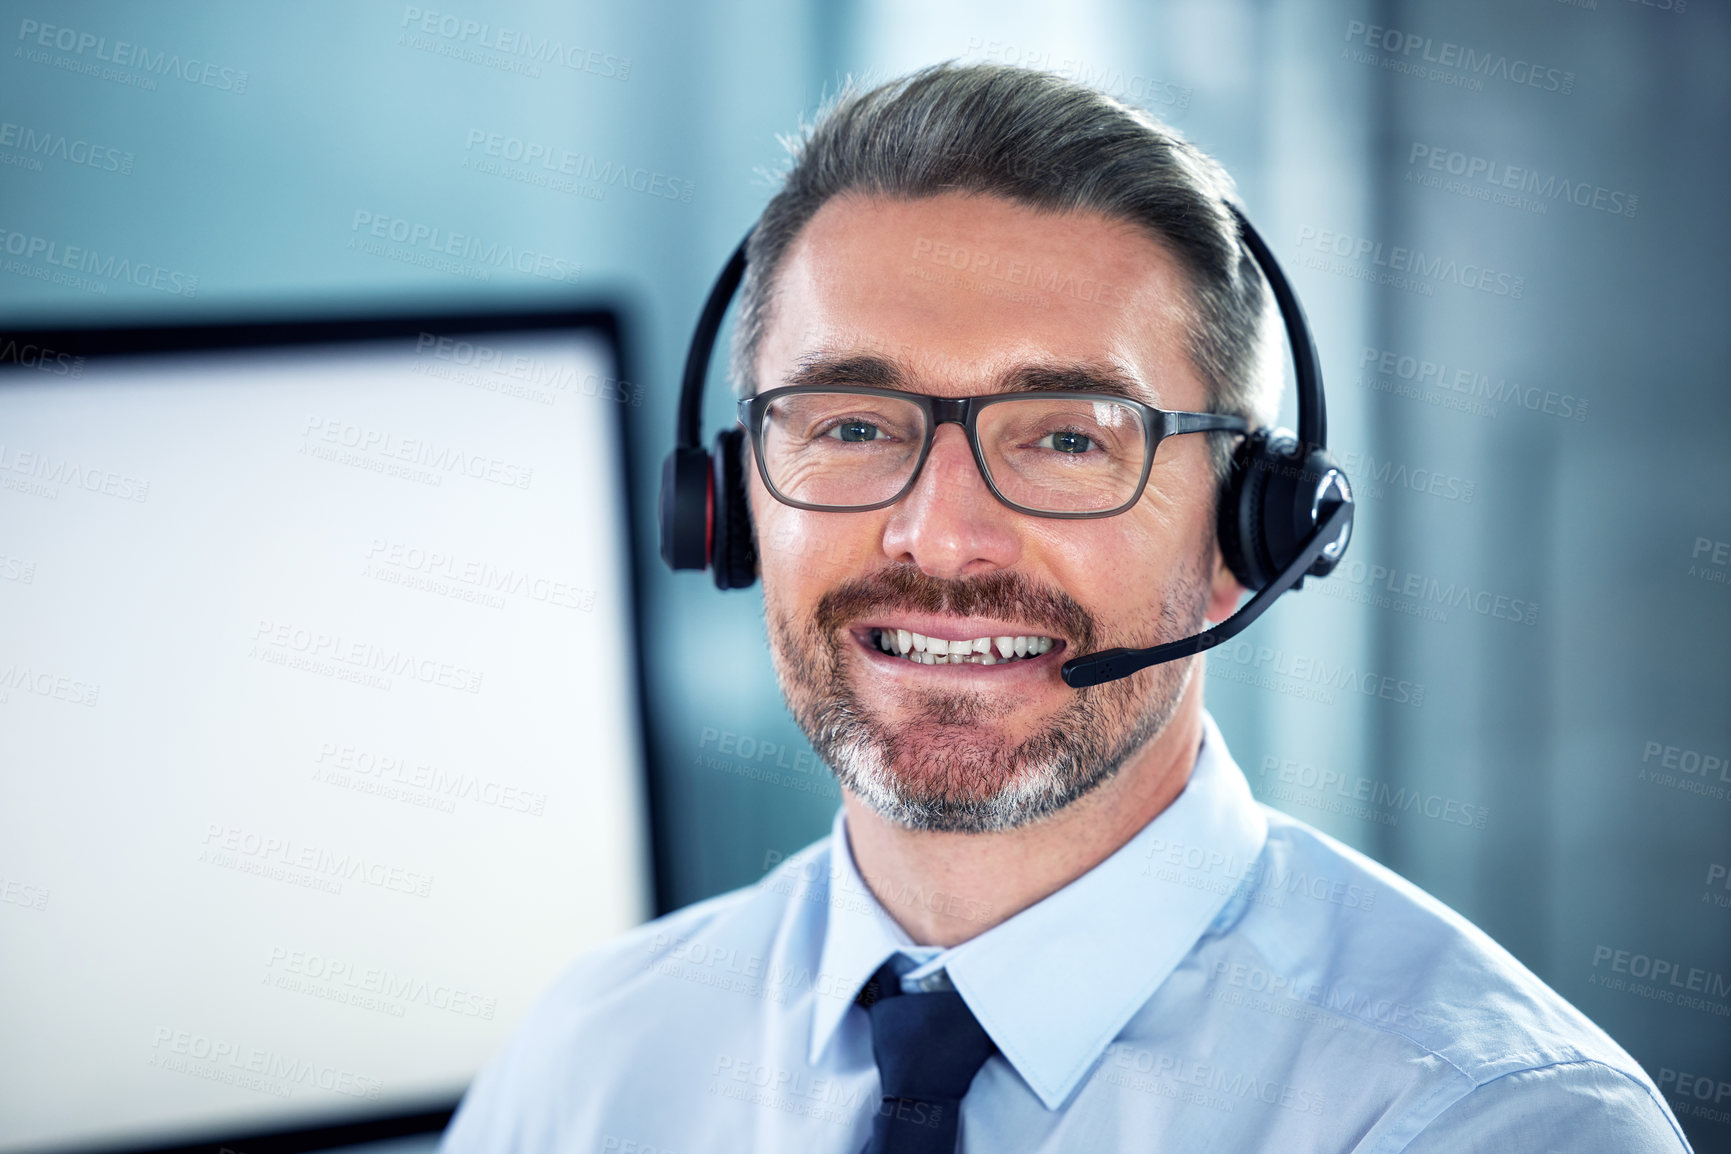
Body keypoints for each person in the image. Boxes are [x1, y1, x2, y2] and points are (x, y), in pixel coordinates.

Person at [440, 62, 1690, 1153]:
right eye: (853, 425)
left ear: (1253, 524)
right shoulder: (588, 1062)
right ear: (722, 508)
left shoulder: (1495, 1121)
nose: (941, 536)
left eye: (1064, 439)